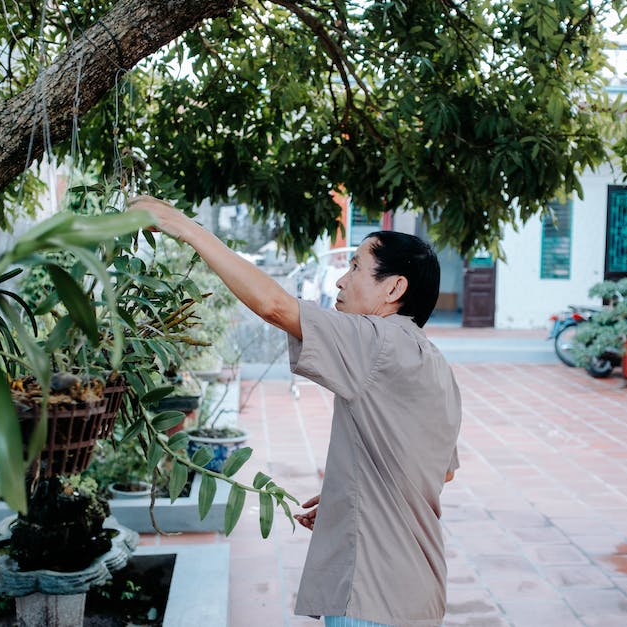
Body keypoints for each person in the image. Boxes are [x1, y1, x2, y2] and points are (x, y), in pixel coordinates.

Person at [128, 195, 462, 627]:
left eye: (356, 267)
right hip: (418, 591)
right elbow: (442, 471)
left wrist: (187, 228)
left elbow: (276, 307)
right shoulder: (434, 362)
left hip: (372, 594)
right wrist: (357, 493)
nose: (341, 281)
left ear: (394, 288)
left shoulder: (378, 340)